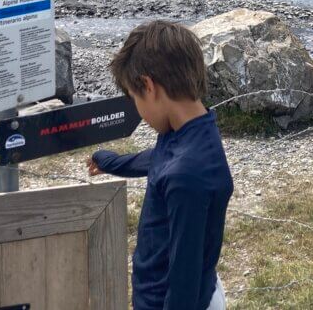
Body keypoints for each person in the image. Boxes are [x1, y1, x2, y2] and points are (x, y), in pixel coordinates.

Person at [88, 20, 233, 310]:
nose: (139, 113)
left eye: (135, 99)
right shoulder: (190, 130)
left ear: (148, 86)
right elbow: (157, 159)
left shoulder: (187, 177)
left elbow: (184, 279)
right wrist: (110, 162)